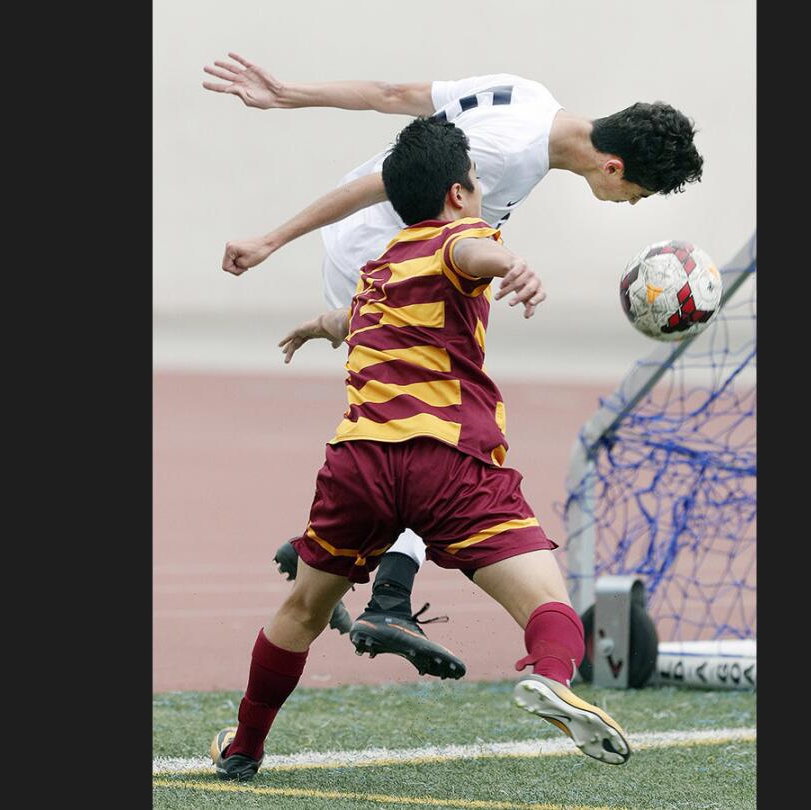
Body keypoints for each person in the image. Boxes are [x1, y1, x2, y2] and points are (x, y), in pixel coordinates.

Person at [204, 53, 704, 679]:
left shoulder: (530, 94)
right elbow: (383, 180)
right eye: (637, 192)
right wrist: (271, 239)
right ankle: (387, 597)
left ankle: (343, 550)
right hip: (390, 258)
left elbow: (395, 90)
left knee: (409, 424)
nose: (628, 203)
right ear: (613, 166)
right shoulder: (505, 157)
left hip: (398, 260)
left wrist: (290, 92)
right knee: (440, 422)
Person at [211, 116, 629, 781]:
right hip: (445, 461)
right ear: (460, 194)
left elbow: (353, 317)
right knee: (546, 599)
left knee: (302, 611)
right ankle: (551, 677)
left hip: (359, 465)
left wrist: (321, 327)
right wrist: (511, 263)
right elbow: (472, 254)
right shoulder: (463, 237)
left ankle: (246, 745)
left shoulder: (381, 267)